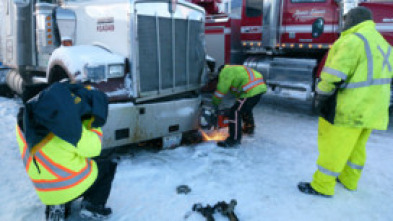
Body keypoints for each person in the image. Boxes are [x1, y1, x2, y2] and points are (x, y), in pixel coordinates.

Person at [298, 7, 393, 197]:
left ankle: (322, 186)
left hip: (350, 107)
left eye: (346, 19)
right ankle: (349, 180)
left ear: (354, 20)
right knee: (357, 147)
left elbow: (333, 75)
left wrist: (320, 96)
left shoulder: (352, 40)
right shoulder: (383, 43)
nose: (344, 23)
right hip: (374, 108)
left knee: (334, 146)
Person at [16, 82, 117, 220]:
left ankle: (57, 206)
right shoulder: (67, 127)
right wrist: (92, 124)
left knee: (58, 162)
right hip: (70, 185)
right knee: (107, 165)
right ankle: (92, 207)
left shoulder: (23, 125)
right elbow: (95, 148)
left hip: (44, 190)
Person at [212, 65, 267, 147]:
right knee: (245, 109)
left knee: (235, 111)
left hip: (250, 90)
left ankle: (233, 140)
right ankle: (249, 129)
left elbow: (221, 91)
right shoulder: (236, 68)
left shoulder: (225, 72)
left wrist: (215, 104)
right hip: (260, 88)